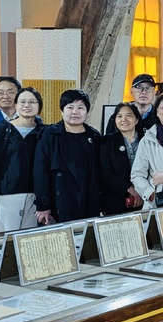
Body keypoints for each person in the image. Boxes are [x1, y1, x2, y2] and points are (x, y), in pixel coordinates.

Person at [34, 89, 101, 224]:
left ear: (87, 112)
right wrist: (43, 205)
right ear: (62, 111)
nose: (75, 112)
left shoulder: (94, 136)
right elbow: (40, 170)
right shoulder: (50, 134)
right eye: (70, 107)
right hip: (58, 202)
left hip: (88, 199)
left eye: (80, 108)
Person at [0, 87, 45, 231]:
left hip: (35, 196)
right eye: (22, 102)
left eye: (32, 102)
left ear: (39, 106)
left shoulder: (44, 132)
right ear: (16, 105)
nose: (27, 105)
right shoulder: (3, 130)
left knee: (29, 243)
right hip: (7, 196)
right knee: (5, 243)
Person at [99, 102, 145, 215]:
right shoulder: (106, 142)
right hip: (116, 201)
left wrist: (142, 191)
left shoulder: (148, 140)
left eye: (129, 115)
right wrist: (129, 189)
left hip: (146, 197)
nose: (124, 119)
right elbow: (106, 173)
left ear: (137, 119)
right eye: (119, 116)